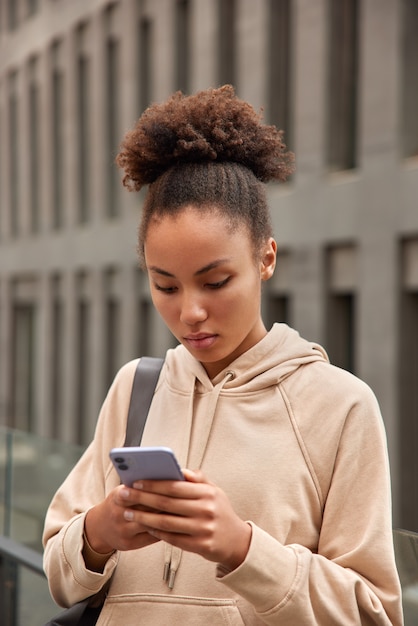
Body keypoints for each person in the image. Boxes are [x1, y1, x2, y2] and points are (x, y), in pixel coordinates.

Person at [43, 85, 403, 625]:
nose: (190, 312)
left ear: (266, 258)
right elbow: (57, 573)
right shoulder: (136, 387)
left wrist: (242, 549)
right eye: (165, 286)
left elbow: (375, 613)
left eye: (215, 281)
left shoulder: (341, 405)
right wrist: (98, 533)